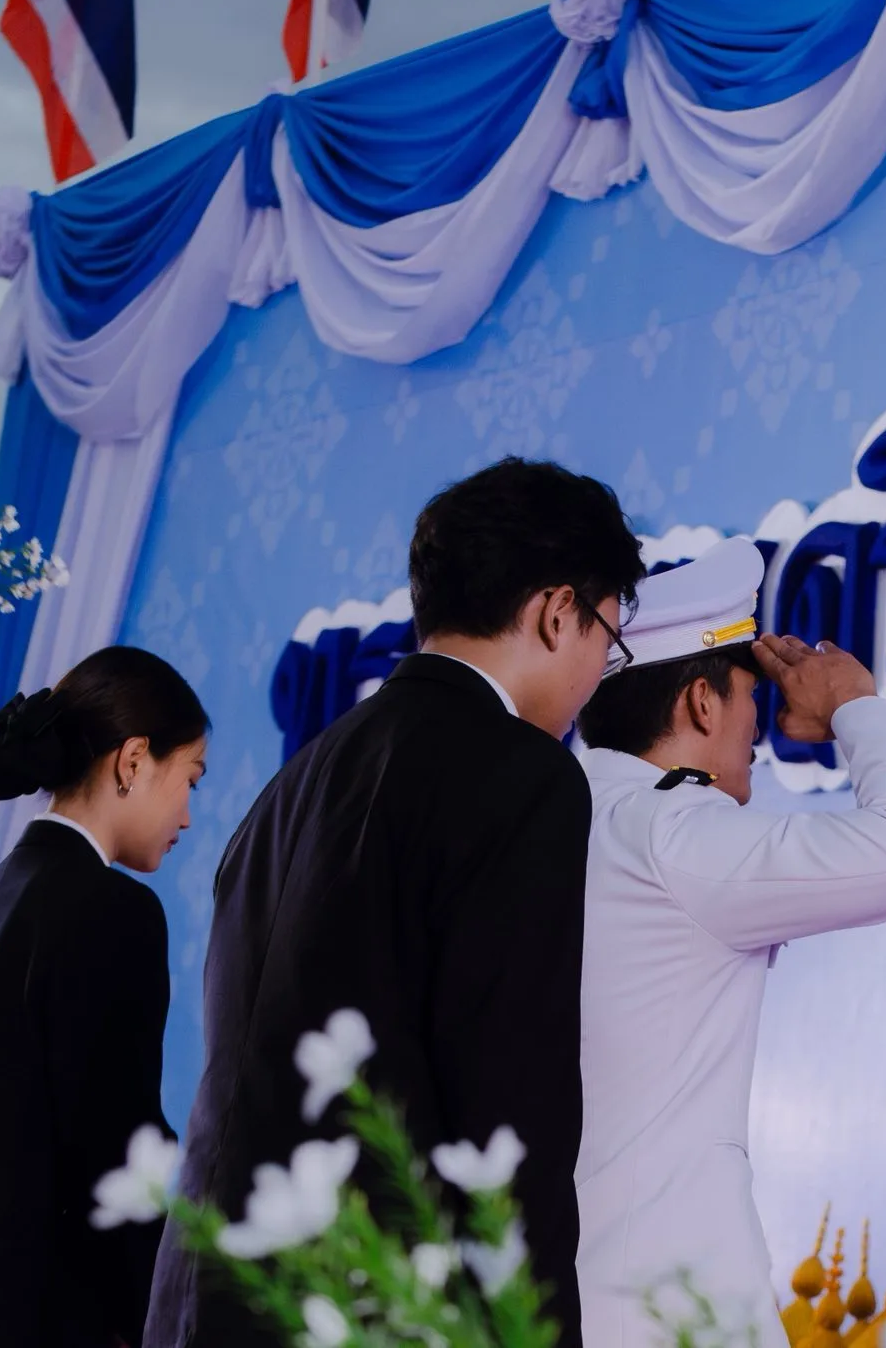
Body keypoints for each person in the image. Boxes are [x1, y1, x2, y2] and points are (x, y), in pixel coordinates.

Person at [145, 458, 646, 1348]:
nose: (600, 670)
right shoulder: (524, 775)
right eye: (608, 636)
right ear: (557, 610)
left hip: (209, 1296)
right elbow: (509, 1107)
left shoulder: (290, 786)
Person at [571, 537, 886, 1348]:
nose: (758, 725)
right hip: (663, 1306)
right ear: (702, 703)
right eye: (750, 695)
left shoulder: (557, 823)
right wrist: (854, 704)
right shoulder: (669, 832)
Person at [0, 646, 207, 1348]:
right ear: (133, 760)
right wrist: (153, 1317)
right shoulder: (114, 910)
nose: (186, 814)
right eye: (190, 779)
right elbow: (116, 1146)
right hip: (6, 1312)